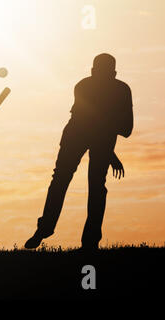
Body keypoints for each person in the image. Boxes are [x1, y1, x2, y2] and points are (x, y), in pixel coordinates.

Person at [25, 53, 133, 250]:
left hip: (98, 140)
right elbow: (91, 124)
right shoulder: (85, 87)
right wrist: (110, 151)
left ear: (114, 74)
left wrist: (109, 148)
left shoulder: (121, 90)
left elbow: (127, 129)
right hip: (76, 136)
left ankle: (90, 243)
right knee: (62, 179)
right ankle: (45, 229)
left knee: (95, 186)